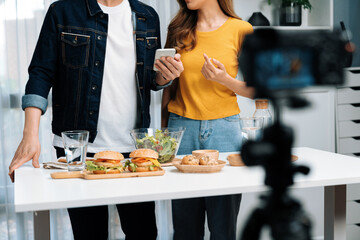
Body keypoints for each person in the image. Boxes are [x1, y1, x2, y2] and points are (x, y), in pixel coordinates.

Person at [8, 0, 183, 239]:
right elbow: (41, 72)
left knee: (143, 233)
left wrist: (165, 77)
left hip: (134, 150)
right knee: (89, 234)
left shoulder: (147, 16)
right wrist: (30, 135)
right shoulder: (63, 11)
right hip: (78, 149)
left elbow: (151, 80)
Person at [161, 0, 254, 239]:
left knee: (223, 228)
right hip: (181, 130)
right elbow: (167, 87)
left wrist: (225, 79)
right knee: (185, 229)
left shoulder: (241, 29)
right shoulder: (177, 29)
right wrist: (164, 135)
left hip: (225, 131)